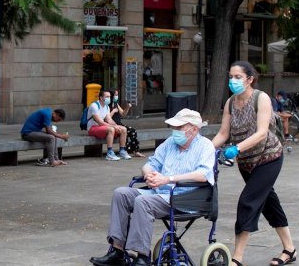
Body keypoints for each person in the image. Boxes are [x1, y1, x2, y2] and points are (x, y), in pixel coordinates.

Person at [89, 108, 215, 266]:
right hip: (159, 192)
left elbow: (203, 175)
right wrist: (149, 175)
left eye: (178, 128)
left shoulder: (205, 146)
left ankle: (142, 256)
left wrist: (168, 179)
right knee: (120, 194)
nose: (174, 131)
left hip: (184, 197)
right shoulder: (170, 143)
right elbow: (151, 164)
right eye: (174, 127)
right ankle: (117, 251)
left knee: (142, 202)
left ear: (194, 129)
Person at [211, 61, 296, 266]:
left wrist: (236, 148)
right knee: (268, 203)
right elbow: (223, 133)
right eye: (231, 77)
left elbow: (261, 133)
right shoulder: (231, 102)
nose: (233, 81)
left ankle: (237, 258)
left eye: (238, 77)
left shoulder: (261, 98)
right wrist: (203, 151)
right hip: (247, 162)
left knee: (248, 201)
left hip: (269, 157)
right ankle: (290, 249)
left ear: (249, 79)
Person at [87, 90, 129, 161]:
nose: (109, 98)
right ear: (101, 97)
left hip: (101, 128)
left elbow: (109, 120)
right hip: (92, 128)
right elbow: (100, 122)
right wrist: (113, 127)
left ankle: (122, 151)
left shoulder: (106, 107)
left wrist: (116, 126)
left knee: (123, 129)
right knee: (111, 129)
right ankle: (109, 153)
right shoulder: (94, 106)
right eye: (107, 97)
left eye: (109, 97)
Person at [108, 89, 144, 158]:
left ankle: (136, 151)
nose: (117, 96)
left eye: (117, 95)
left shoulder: (116, 104)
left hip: (119, 123)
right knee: (126, 132)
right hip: (111, 125)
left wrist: (127, 107)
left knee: (132, 131)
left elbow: (123, 114)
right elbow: (106, 118)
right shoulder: (107, 105)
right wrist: (113, 111)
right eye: (115, 95)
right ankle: (125, 151)